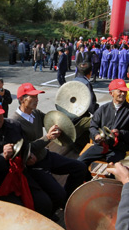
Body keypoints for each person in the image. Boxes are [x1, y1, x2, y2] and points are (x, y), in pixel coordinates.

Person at [10, 83, 89, 211]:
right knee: (58, 195)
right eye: (33, 97)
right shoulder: (14, 122)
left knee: (80, 168)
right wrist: (48, 137)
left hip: (46, 155)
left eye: (37, 96)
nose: (37, 100)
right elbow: (25, 149)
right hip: (35, 166)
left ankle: (66, 202)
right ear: (21, 99)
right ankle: (62, 203)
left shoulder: (35, 113)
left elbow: (51, 120)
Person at [0, 98, 53, 217]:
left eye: (0, 114)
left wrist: (28, 156)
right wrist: (2, 157)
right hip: (0, 183)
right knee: (20, 212)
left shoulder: (14, 125)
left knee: (44, 203)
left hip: (21, 174)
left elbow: (25, 147)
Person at [78, 79, 129, 165]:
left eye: (125, 91)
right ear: (111, 93)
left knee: (113, 169)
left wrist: (120, 133)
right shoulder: (103, 109)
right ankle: (88, 177)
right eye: (120, 91)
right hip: (101, 145)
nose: (123, 93)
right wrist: (96, 135)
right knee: (79, 162)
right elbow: (93, 126)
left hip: (119, 148)